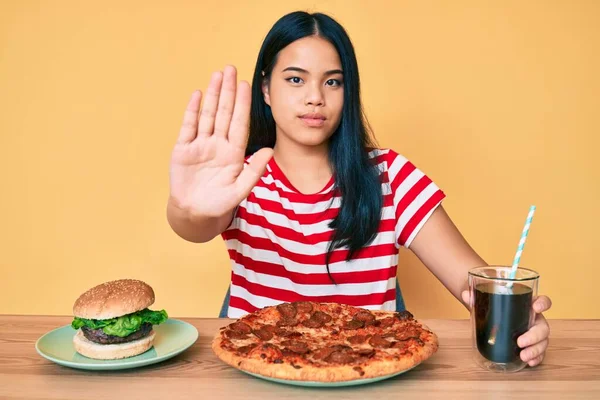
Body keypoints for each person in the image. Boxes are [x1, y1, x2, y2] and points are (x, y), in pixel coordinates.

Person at [166, 11, 551, 367]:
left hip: (370, 371)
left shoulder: (390, 175)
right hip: (252, 369)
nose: (315, 96)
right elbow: (192, 225)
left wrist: (522, 323)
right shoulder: (235, 178)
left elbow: (475, 285)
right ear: (266, 89)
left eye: (332, 81)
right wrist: (188, 206)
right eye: (295, 79)